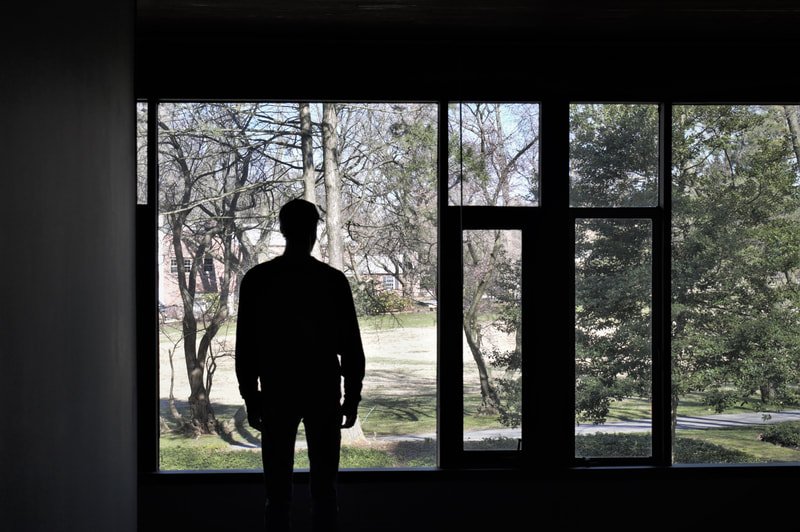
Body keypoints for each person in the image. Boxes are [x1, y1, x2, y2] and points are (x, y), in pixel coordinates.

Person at [235, 199, 365, 531]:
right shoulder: (332, 281)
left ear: (282, 230)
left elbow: (246, 347)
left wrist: (252, 397)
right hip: (322, 390)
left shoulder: (258, 280)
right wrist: (351, 397)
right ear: (314, 231)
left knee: (276, 493)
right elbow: (350, 345)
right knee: (325, 491)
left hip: (277, 390)